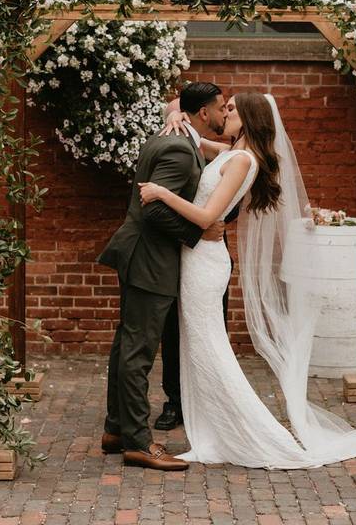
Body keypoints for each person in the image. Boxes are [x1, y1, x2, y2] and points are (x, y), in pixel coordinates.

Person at [137, 92, 356, 468]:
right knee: (196, 348)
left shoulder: (243, 160)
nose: (225, 113)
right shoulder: (231, 152)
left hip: (206, 263)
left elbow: (208, 217)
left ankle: (247, 433)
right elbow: (196, 139)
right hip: (195, 260)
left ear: (250, 120)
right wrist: (179, 119)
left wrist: (161, 193)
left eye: (231, 110)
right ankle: (211, 430)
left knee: (210, 350)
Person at [96, 82, 227, 471]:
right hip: (149, 259)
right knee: (138, 351)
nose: (222, 115)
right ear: (203, 112)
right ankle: (137, 442)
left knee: (127, 344)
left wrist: (175, 112)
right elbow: (152, 208)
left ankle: (117, 428)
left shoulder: (177, 137)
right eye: (220, 108)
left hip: (141, 255)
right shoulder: (177, 148)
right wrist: (198, 232)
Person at [154, 97, 240, 432]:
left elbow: (231, 202)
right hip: (173, 249)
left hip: (209, 248)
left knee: (210, 326)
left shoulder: (230, 151)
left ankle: (210, 400)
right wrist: (174, 114)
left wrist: (212, 223)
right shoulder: (174, 142)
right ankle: (175, 401)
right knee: (173, 329)